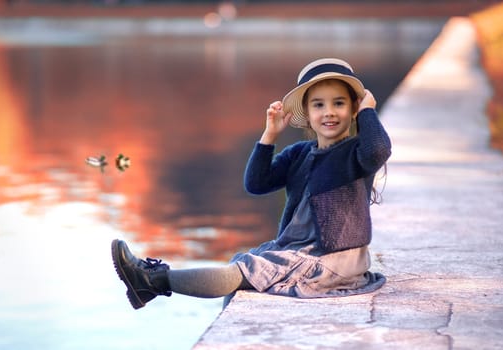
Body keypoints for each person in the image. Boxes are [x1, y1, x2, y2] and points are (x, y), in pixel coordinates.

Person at [111, 58, 391, 310]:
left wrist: (367, 111)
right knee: (241, 265)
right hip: (297, 249)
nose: (329, 112)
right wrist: (269, 135)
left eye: (339, 103)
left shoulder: (355, 154)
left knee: (244, 271)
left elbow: (378, 150)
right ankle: (148, 288)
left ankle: (154, 280)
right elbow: (256, 183)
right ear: (307, 112)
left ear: (352, 109)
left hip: (333, 260)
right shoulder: (300, 153)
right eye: (319, 104)